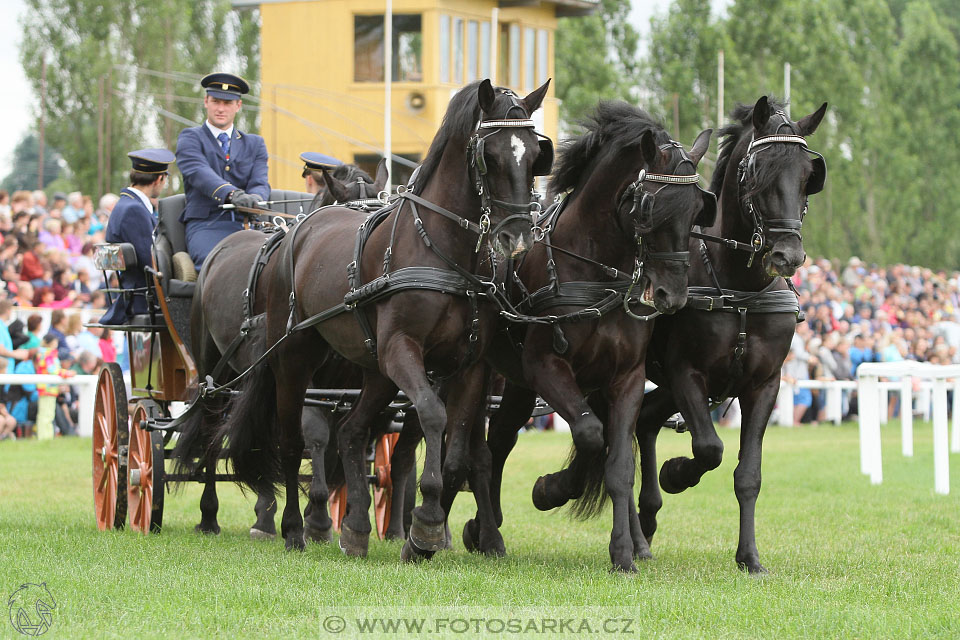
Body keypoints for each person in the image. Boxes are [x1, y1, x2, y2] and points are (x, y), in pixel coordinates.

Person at [176, 72, 270, 268]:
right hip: (206, 225)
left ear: (238, 106)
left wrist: (255, 200)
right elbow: (199, 172)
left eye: (227, 103)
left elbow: (260, 182)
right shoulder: (190, 138)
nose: (221, 108)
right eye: (216, 101)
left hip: (247, 224)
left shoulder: (254, 144)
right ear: (206, 102)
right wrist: (232, 194)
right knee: (216, 266)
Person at [99, 149, 175, 325]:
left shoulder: (125, 204)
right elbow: (150, 261)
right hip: (143, 300)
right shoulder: (134, 209)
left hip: (135, 296)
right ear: (159, 179)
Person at [34, 333, 74, 440]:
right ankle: (45, 437)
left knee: (46, 414)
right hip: (48, 388)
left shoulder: (42, 353)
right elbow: (53, 370)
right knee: (47, 414)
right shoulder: (49, 354)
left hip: (45, 387)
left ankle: (46, 437)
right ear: (52, 342)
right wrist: (67, 373)